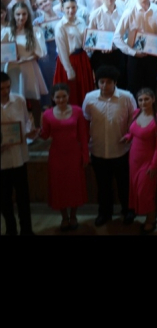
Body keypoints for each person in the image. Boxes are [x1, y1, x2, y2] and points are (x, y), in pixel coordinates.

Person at [82, 66, 137, 227]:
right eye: (101, 82)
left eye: (108, 82)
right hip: (98, 149)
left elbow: (134, 120)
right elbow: (86, 118)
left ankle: (128, 210)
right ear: (97, 82)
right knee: (103, 185)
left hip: (121, 149)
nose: (104, 85)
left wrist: (129, 137)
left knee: (124, 184)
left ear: (115, 83)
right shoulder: (90, 98)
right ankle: (104, 213)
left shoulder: (126, 97)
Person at [39, 83, 89, 231]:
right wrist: (36, 132)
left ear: (68, 96)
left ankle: (73, 216)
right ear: (53, 98)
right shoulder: (47, 114)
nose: (61, 100)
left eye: (64, 96)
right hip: (56, 155)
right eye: (58, 97)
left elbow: (83, 135)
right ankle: (64, 217)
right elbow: (45, 135)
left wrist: (85, 155)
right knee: (59, 187)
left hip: (74, 154)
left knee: (74, 186)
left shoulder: (77, 111)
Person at [119, 88, 157, 234]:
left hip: (148, 162)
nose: (143, 102)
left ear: (153, 100)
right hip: (134, 160)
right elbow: (133, 132)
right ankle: (149, 217)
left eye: (146, 99)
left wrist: (154, 165)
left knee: (145, 193)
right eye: (140, 100)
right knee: (136, 191)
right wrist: (128, 137)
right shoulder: (136, 114)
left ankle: (151, 220)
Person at [113, 0, 157, 97]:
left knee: (151, 87)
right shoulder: (129, 11)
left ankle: (151, 109)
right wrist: (132, 52)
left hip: (152, 56)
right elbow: (117, 37)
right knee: (134, 88)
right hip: (134, 57)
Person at [1, 71, 38, 235]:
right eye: (1, 89)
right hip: (2, 160)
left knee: (23, 197)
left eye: (8, 87)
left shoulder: (19, 100)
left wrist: (30, 132)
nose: (5, 91)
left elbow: (27, 120)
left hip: (19, 157)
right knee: (4, 199)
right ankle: (10, 229)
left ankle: (27, 230)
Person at [2, 3, 48, 126]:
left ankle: (37, 127)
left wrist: (26, 58)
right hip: (13, 68)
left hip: (29, 67)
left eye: (24, 14)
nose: (21, 17)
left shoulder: (34, 30)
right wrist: (9, 56)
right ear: (13, 15)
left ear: (28, 15)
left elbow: (40, 52)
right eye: (18, 14)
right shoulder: (7, 31)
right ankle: (18, 127)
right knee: (14, 98)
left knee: (34, 98)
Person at [53, 0, 94, 107]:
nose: (71, 10)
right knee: (74, 90)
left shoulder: (81, 21)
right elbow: (62, 50)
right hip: (69, 60)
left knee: (85, 87)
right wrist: (69, 70)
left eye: (73, 7)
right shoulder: (60, 26)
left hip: (82, 58)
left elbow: (86, 39)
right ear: (62, 9)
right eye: (68, 8)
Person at [87, 0, 127, 89]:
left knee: (120, 83)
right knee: (102, 84)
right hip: (101, 55)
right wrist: (100, 46)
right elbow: (90, 38)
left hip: (118, 53)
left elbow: (126, 34)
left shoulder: (123, 13)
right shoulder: (95, 14)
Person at [33, 0, 60, 107]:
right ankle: (48, 105)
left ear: (50, 0)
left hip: (61, 50)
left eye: (45, 1)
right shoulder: (36, 22)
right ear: (38, 7)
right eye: (41, 4)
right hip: (46, 53)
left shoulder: (62, 16)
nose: (44, 4)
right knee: (48, 79)